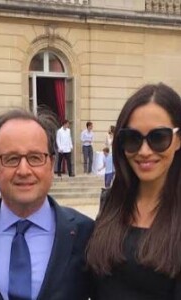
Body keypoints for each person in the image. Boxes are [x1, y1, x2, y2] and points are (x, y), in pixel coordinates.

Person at [0, 109, 94, 300]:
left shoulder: (86, 234)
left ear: (51, 163)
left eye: (35, 158)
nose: (24, 170)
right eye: (11, 159)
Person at [87, 83, 181, 299]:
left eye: (158, 137)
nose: (144, 151)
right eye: (133, 139)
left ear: (178, 140)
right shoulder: (112, 201)